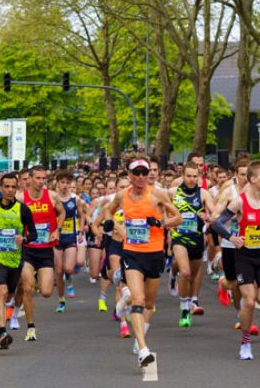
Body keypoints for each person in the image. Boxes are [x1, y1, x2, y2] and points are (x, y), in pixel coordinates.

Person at [93, 154, 182, 367]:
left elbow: (178, 218)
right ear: (130, 175)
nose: (142, 176)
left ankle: (132, 320)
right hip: (132, 253)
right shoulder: (122, 195)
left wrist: (161, 223)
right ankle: (143, 349)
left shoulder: (157, 194)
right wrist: (113, 225)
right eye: (137, 173)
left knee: (149, 303)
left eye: (145, 172)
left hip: (154, 254)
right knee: (139, 299)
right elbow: (108, 211)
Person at [212, 160, 260, 360]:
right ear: (253, 179)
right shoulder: (239, 201)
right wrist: (231, 238)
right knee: (248, 301)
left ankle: (252, 288)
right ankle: (245, 343)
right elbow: (217, 222)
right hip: (244, 257)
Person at [0, 172, 37, 350]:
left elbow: (33, 233)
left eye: (13, 187)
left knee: (10, 295)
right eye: (6, 186)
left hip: (16, 259)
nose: (10, 190)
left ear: (17, 187)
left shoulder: (23, 209)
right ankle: (2, 334)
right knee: (2, 291)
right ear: (0, 187)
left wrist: (25, 240)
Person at [16, 165, 65, 342]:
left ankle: (32, 281)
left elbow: (62, 212)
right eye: (37, 178)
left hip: (45, 250)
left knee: (45, 292)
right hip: (27, 250)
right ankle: (30, 328)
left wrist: (57, 229)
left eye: (44, 178)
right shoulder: (20, 198)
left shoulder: (51, 196)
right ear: (29, 179)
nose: (41, 181)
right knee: (28, 288)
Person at [168, 164, 214, 328]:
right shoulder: (173, 192)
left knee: (192, 276)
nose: (192, 179)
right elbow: (163, 210)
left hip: (196, 239)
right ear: (183, 175)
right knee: (185, 272)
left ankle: (186, 299)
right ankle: (184, 309)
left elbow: (215, 214)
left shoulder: (203, 193)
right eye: (189, 176)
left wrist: (207, 216)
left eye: (195, 176)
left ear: (199, 176)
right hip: (179, 237)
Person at [53, 171, 85, 312]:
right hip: (56, 237)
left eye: (67, 183)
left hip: (70, 236)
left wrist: (81, 230)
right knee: (59, 271)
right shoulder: (53, 198)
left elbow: (81, 215)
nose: (65, 186)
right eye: (62, 182)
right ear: (57, 183)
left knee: (68, 268)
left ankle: (70, 279)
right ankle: (61, 300)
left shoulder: (75, 199)